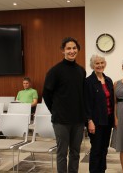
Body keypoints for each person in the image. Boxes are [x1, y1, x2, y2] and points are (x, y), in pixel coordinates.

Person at [42, 37, 86, 173]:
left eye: (74, 48)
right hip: (61, 120)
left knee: (75, 153)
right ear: (63, 50)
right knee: (62, 154)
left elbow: (82, 95)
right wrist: (55, 110)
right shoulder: (55, 71)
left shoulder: (81, 71)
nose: (72, 51)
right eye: (68, 48)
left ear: (77, 50)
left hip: (78, 120)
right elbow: (46, 94)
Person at [85, 54, 114, 173]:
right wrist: (89, 121)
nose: (100, 65)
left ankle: (102, 170)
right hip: (95, 122)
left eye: (102, 63)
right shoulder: (88, 82)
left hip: (107, 120)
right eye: (97, 63)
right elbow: (86, 103)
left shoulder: (108, 80)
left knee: (104, 149)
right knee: (96, 149)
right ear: (92, 65)